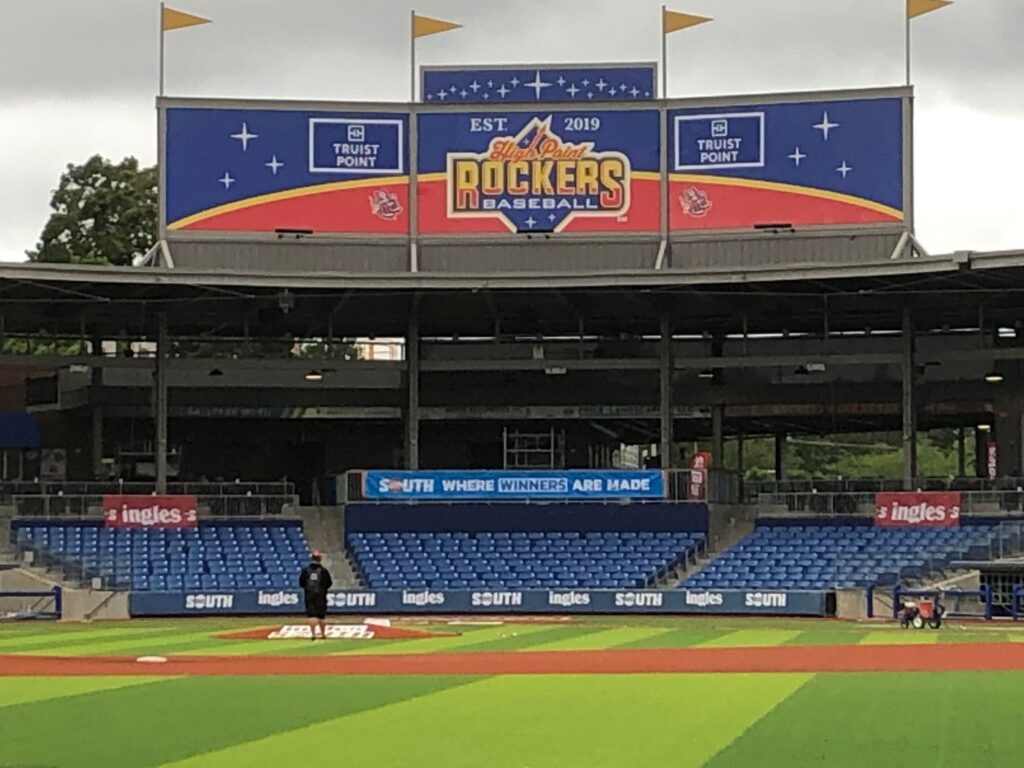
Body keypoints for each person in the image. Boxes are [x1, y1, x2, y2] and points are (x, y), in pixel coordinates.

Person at [298, 550, 333, 640]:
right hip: (321, 595)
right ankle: (323, 634)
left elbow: (301, 583)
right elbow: (329, 583)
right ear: (320, 559)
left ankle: (313, 634)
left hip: (309, 595)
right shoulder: (324, 571)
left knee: (311, 615)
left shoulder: (305, 571)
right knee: (321, 616)